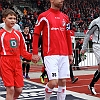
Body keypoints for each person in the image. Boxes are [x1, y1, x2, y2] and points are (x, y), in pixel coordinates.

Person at [32, 0, 73, 100]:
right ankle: (47, 98)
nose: (62, 0)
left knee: (63, 81)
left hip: (63, 54)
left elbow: (68, 36)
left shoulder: (65, 17)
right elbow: (36, 34)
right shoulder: (43, 16)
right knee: (53, 82)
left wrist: (70, 53)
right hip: (50, 54)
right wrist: (34, 53)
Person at [0, 9, 32, 100]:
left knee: (19, 90)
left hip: (17, 62)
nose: (13, 20)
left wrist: (32, 56)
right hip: (5, 61)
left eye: (14, 18)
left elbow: (23, 51)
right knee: (10, 89)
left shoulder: (18, 34)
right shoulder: (1, 34)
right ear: (4, 19)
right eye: (10, 18)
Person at [81, 16, 100, 95]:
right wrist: (84, 47)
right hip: (97, 45)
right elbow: (88, 34)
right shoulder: (96, 22)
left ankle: (91, 84)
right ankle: (91, 85)